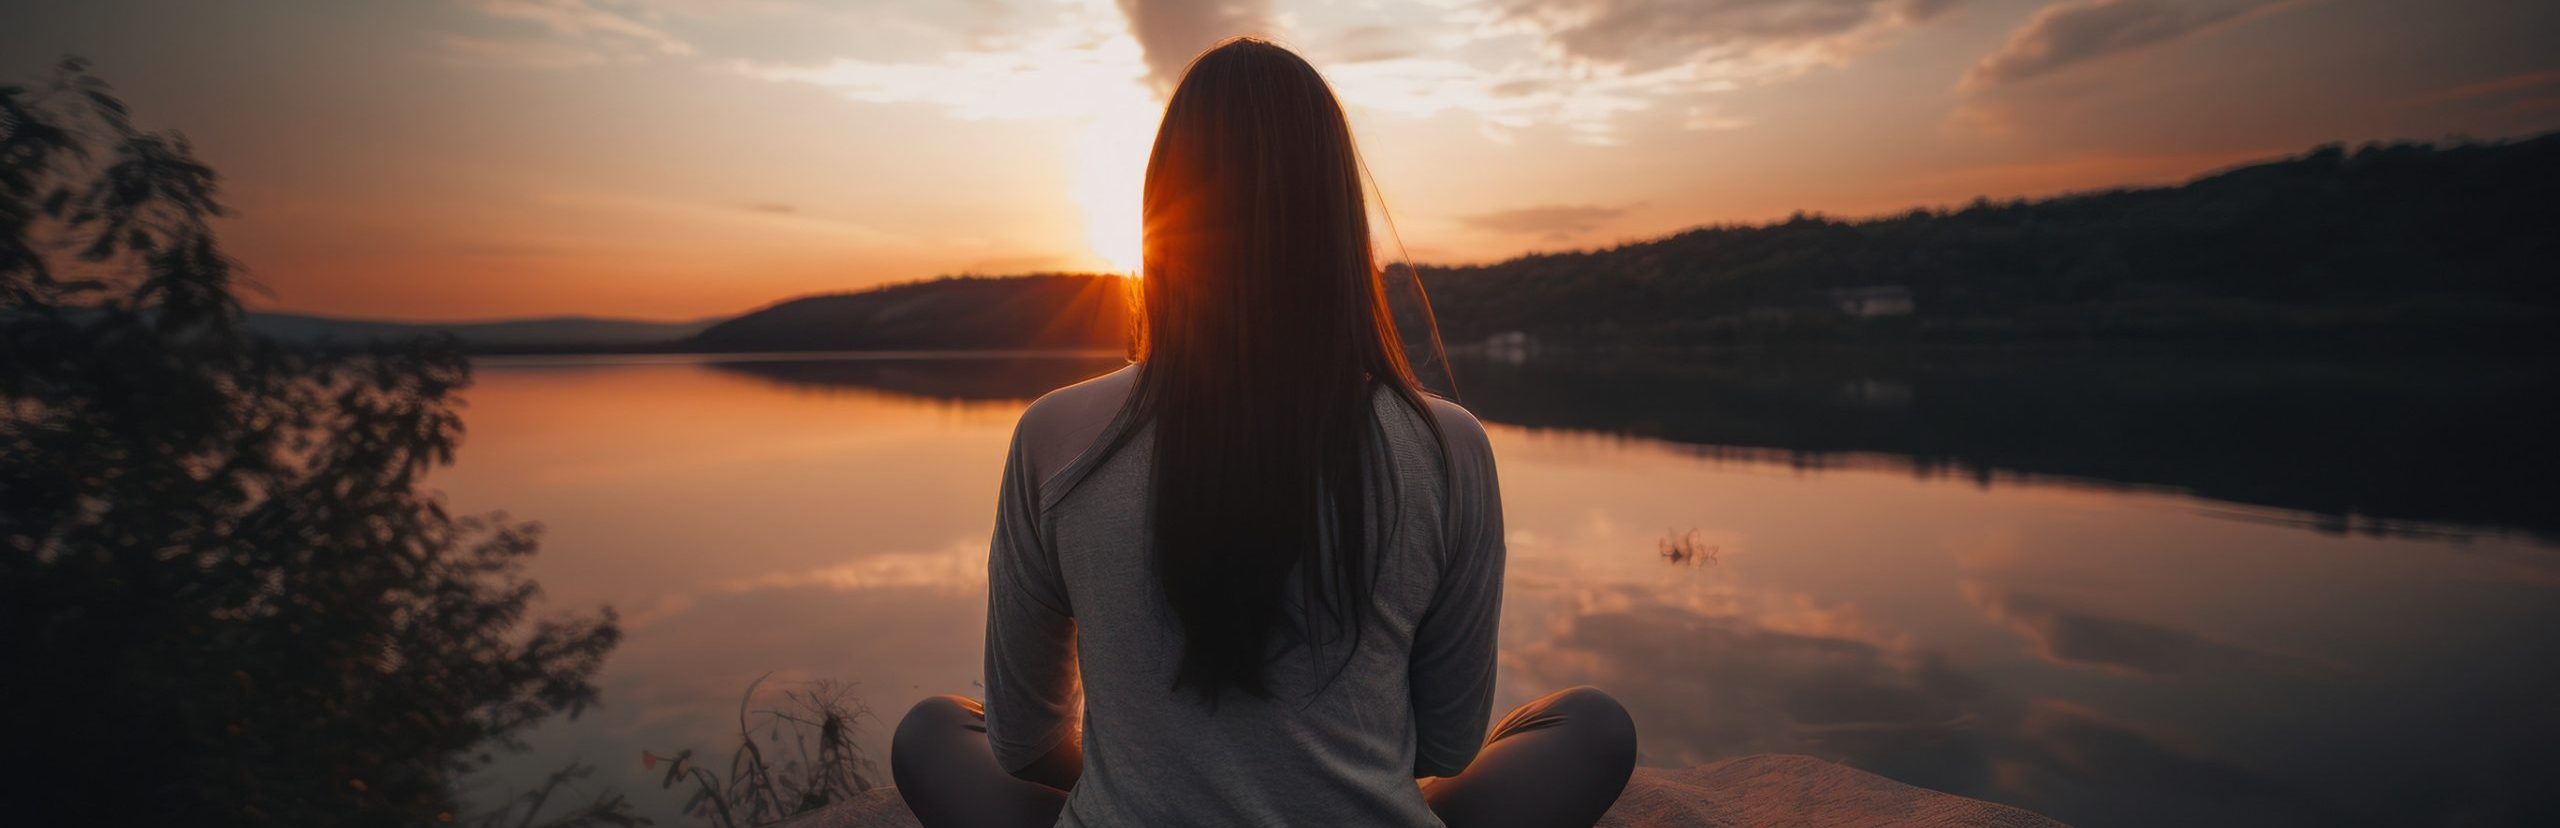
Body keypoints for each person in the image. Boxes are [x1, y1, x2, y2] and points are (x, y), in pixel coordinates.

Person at [889, 37, 1637, 827]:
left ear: (1161, 218)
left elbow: (1021, 741)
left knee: (933, 732)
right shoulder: (1447, 446)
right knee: (1591, 727)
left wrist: (1160, 780)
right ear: (1337, 220)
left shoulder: (1055, 432)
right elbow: (1445, 748)